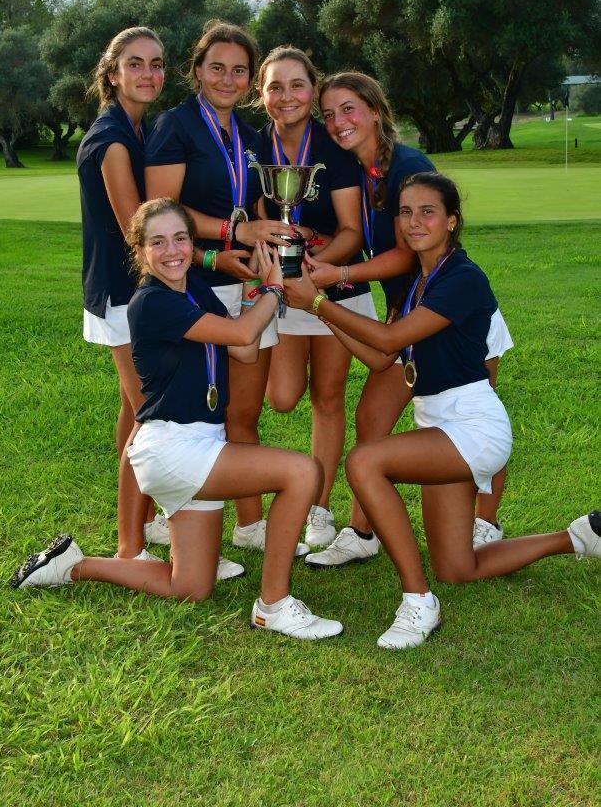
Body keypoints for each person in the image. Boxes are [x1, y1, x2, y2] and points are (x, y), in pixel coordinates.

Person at [284, 172, 600, 648]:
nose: (414, 221)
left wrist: (322, 302)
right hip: (440, 424)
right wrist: (314, 310)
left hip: (473, 427)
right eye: (405, 212)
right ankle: (578, 537)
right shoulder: (422, 279)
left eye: (428, 211)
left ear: (452, 221)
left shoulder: (462, 277)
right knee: (458, 566)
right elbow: (381, 357)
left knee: (364, 461)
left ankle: (418, 602)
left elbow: (389, 339)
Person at [11, 199, 343, 641]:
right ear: (140, 251)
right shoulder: (150, 302)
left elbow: (243, 349)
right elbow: (244, 335)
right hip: (173, 448)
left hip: (196, 445)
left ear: (192, 243)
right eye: (158, 242)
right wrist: (274, 288)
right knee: (302, 472)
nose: (172, 251)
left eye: (181, 238)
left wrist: (255, 294)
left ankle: (73, 566)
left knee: (189, 587)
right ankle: (274, 605)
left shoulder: (192, 291)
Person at [304, 73, 512, 568]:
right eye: (329, 114)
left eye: (349, 109)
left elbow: (404, 251)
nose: (339, 122)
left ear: (376, 110)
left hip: (451, 318)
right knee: (373, 415)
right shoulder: (363, 169)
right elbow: (365, 238)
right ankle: (362, 531)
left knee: (475, 414)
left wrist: (339, 274)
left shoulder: (407, 166)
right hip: (409, 309)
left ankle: (486, 522)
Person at [145, 21, 298, 554]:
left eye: (239, 70)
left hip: (246, 281)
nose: (228, 79)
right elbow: (163, 210)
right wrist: (234, 233)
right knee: (201, 407)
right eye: (217, 68)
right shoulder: (175, 125)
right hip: (195, 285)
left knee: (244, 412)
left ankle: (250, 524)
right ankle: (176, 514)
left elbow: (254, 202)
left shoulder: (252, 137)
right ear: (196, 71)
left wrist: (270, 233)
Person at [256, 47, 372, 549]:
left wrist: (319, 272)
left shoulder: (335, 145)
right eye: (275, 86)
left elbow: (352, 231)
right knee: (282, 398)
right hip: (281, 290)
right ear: (261, 95)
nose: (287, 97)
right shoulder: (253, 143)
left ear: (311, 88)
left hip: (336, 285)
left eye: (297, 85)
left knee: (328, 398)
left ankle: (319, 509)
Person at [77, 27, 165, 561]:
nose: (149, 74)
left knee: (134, 413)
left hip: (123, 294)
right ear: (114, 74)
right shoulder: (112, 140)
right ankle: (132, 545)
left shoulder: (134, 128)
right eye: (136, 64)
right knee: (152, 417)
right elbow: (141, 231)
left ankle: (145, 523)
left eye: (156, 64)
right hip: (123, 298)